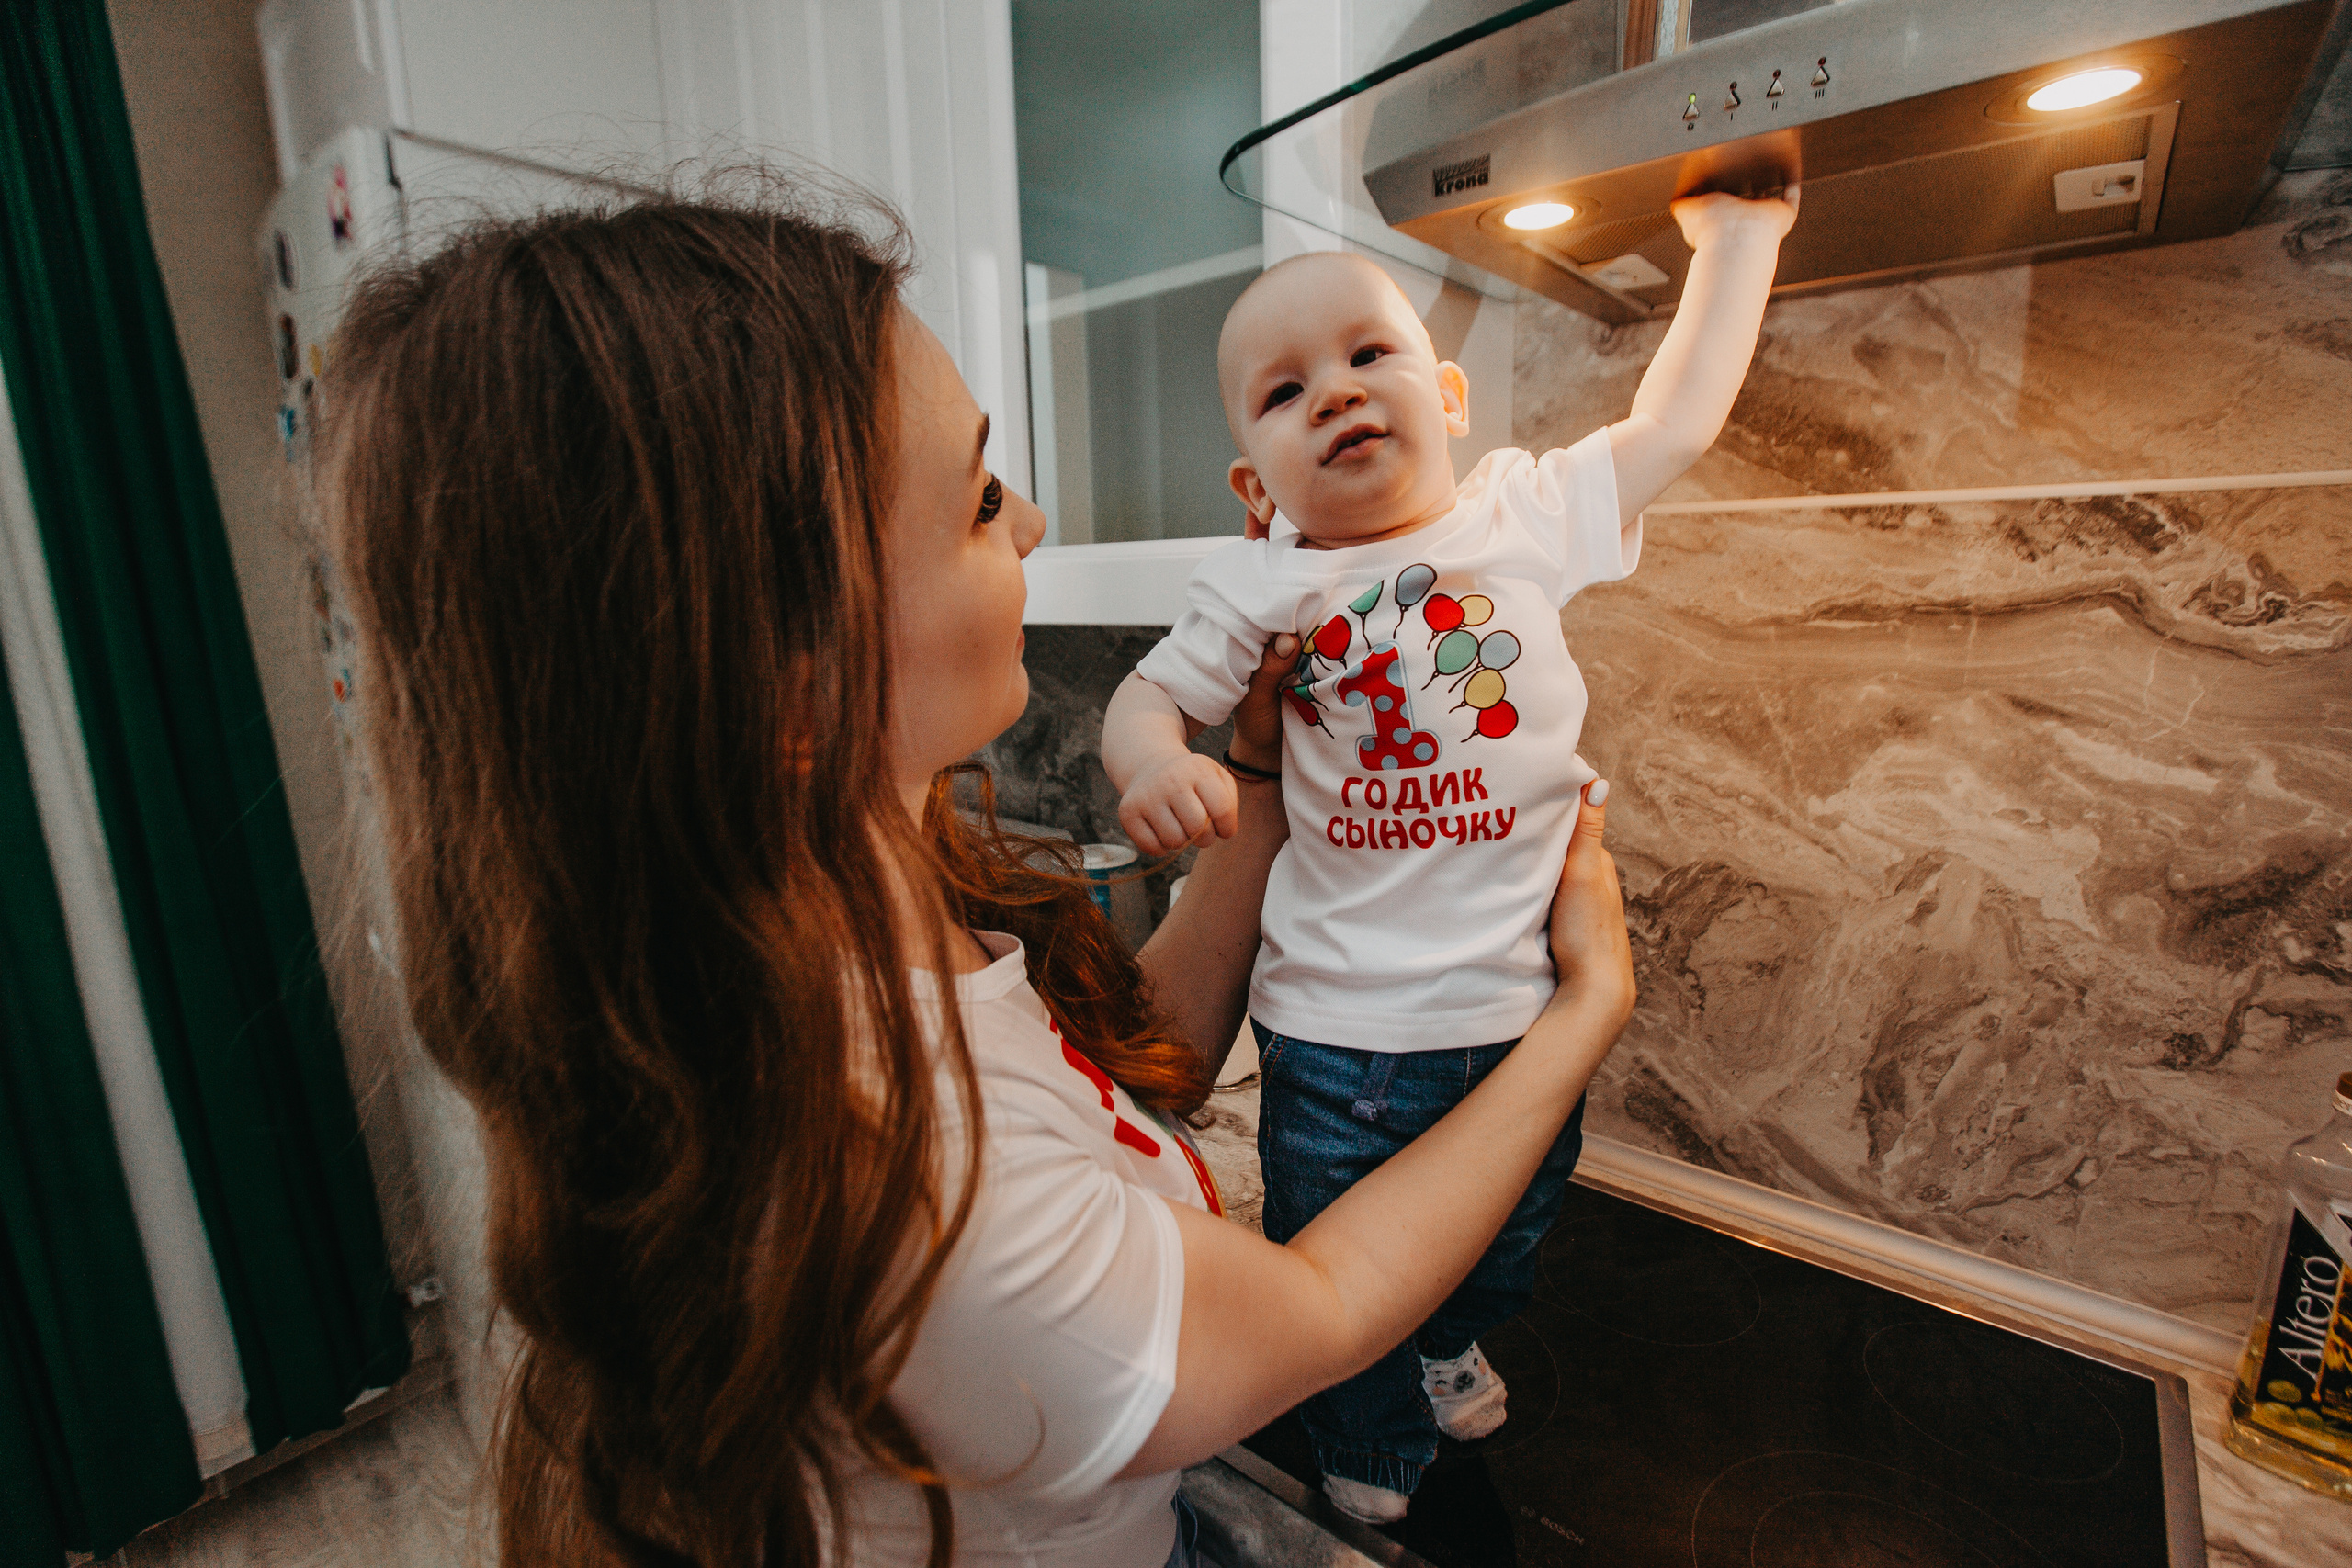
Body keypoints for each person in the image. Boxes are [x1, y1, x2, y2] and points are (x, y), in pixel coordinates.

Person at [318, 187, 1634, 1568]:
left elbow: (1126, 1079)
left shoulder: (841, 903)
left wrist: (1252, 779)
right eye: (977, 499)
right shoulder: (913, 1190)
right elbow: (1318, 1313)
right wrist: (1579, 1015)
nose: (1034, 521)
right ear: (790, 672)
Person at [1098, 192, 1794, 1522]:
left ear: (1451, 397)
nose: (1339, 396)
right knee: (1329, 1259)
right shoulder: (1259, 587)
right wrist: (1158, 765)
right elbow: (1144, 697)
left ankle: (1438, 1340)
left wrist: (1740, 244)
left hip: (1518, 1009)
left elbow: (1675, 423)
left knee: (1506, 1238)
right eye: (1287, 391)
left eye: (1372, 356)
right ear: (1255, 484)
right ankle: (1367, 1438)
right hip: (1343, 1031)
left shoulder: (1521, 515)